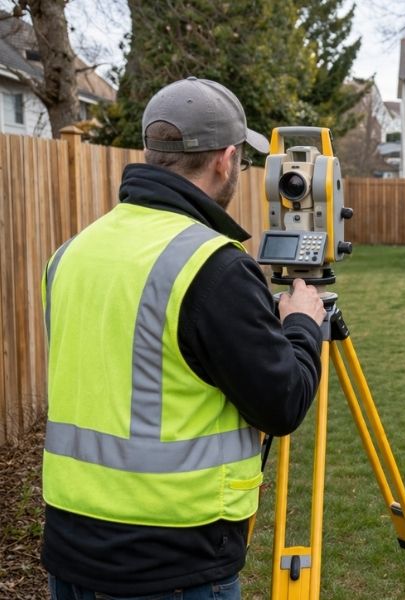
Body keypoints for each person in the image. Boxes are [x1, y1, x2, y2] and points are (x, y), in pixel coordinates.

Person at [41, 77, 326, 599]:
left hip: (70, 553)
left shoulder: (72, 253)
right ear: (225, 159)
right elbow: (281, 403)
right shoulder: (211, 267)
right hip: (171, 565)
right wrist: (303, 324)